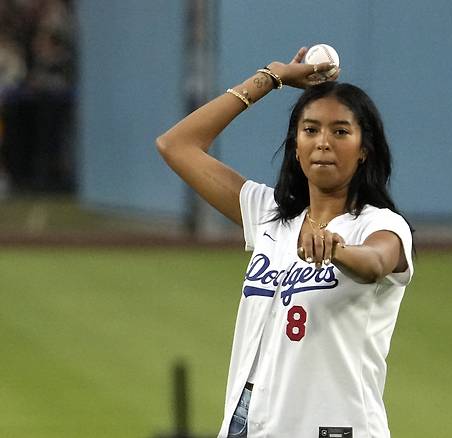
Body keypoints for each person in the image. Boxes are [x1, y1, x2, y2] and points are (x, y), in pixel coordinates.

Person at [157, 47, 414, 438]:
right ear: (296, 145)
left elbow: (377, 261)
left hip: (332, 427)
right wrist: (271, 78)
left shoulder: (379, 224)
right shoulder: (270, 215)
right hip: (247, 421)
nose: (323, 142)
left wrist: (337, 249)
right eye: (310, 130)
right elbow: (176, 145)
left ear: (365, 149)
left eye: (340, 131)